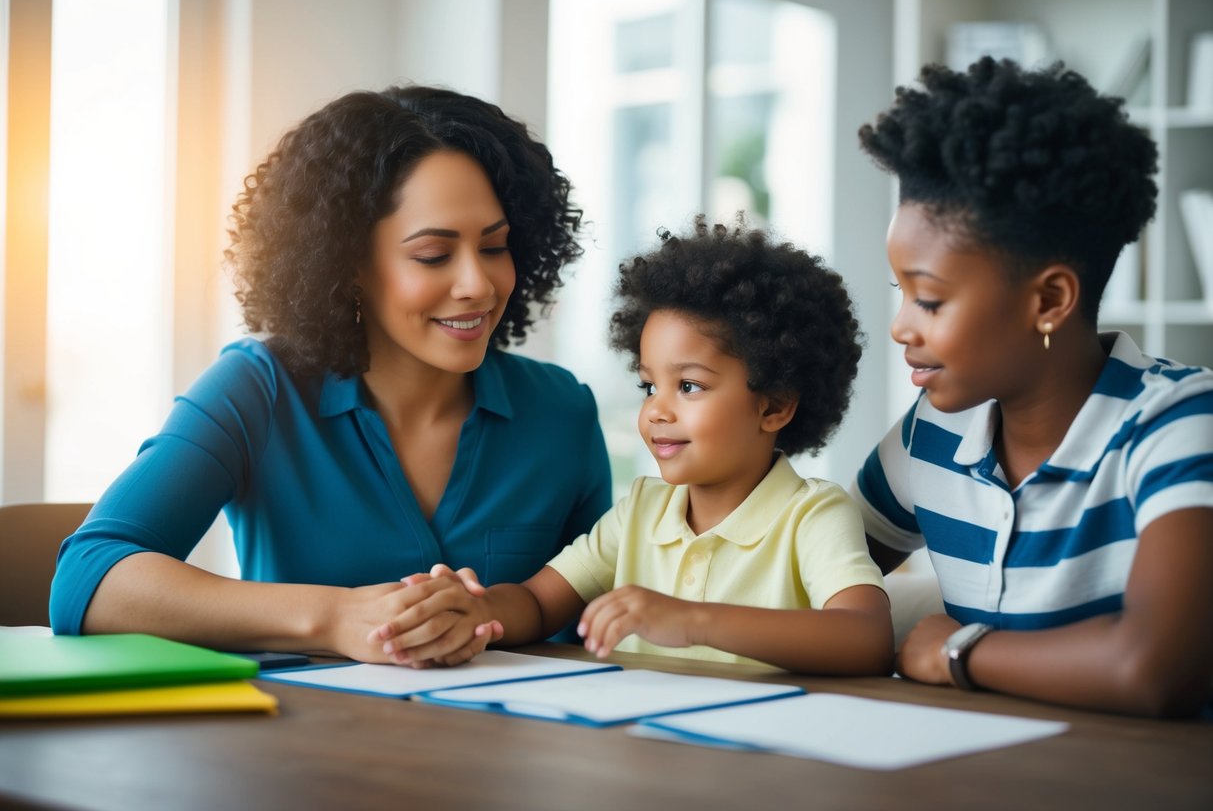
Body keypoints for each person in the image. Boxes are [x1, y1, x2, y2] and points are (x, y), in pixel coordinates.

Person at [48, 85, 612, 663]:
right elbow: (89, 578)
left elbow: (600, 614)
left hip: (519, 742)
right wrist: (335, 618)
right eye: (433, 255)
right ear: (349, 264)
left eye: (495, 247)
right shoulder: (258, 389)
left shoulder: (561, 412)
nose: (479, 284)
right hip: (307, 744)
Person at [371, 218, 894, 674]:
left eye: (688, 386)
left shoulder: (812, 515)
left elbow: (866, 638)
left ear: (774, 406)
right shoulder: (641, 512)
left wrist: (692, 621)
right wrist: (475, 612)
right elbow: (536, 601)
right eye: (649, 386)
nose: (657, 411)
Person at [853, 57, 1213, 717]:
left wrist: (957, 652)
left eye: (928, 300)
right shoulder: (926, 434)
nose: (901, 327)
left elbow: (1155, 669)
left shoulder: (1178, 423)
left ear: (1048, 299)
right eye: (897, 292)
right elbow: (807, 576)